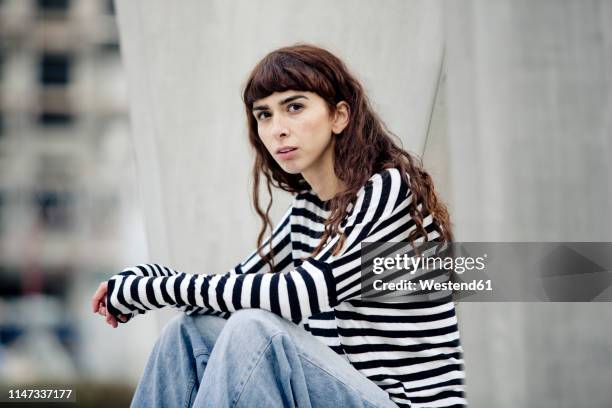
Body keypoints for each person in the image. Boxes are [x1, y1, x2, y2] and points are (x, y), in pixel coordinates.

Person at [91, 43, 467, 408]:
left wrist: (156, 288)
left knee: (254, 330)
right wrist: (146, 277)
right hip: (342, 393)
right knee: (188, 332)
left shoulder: (388, 189)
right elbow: (233, 290)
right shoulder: (309, 208)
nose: (277, 129)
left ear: (339, 116)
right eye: (264, 115)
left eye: (295, 107)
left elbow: (300, 292)